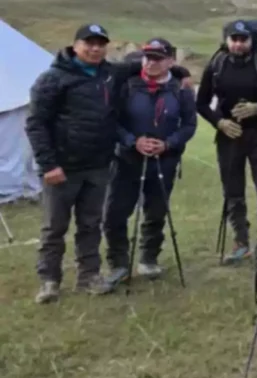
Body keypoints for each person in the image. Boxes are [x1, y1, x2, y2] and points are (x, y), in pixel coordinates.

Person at [25, 24, 191, 304]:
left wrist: (180, 72)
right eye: (88, 43)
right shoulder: (52, 79)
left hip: (99, 164)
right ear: (75, 45)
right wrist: (48, 164)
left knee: (91, 224)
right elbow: (35, 124)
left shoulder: (111, 72)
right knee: (55, 227)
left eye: (100, 44)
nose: (95, 49)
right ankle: (50, 280)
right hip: (63, 166)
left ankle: (89, 276)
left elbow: (151, 63)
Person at [102, 38, 197, 285]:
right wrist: (133, 141)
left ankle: (149, 258)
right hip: (126, 159)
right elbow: (112, 121)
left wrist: (168, 143)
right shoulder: (126, 85)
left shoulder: (181, 89)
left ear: (170, 61)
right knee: (115, 213)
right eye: (147, 57)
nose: (150, 62)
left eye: (157, 58)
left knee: (156, 212)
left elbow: (189, 125)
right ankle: (118, 263)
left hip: (164, 161)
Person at [195, 20, 257, 264]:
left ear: (251, 41)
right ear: (227, 40)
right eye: (234, 39)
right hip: (229, 135)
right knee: (232, 191)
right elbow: (201, 103)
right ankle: (241, 242)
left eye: (243, 40)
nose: (238, 44)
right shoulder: (216, 64)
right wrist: (219, 122)